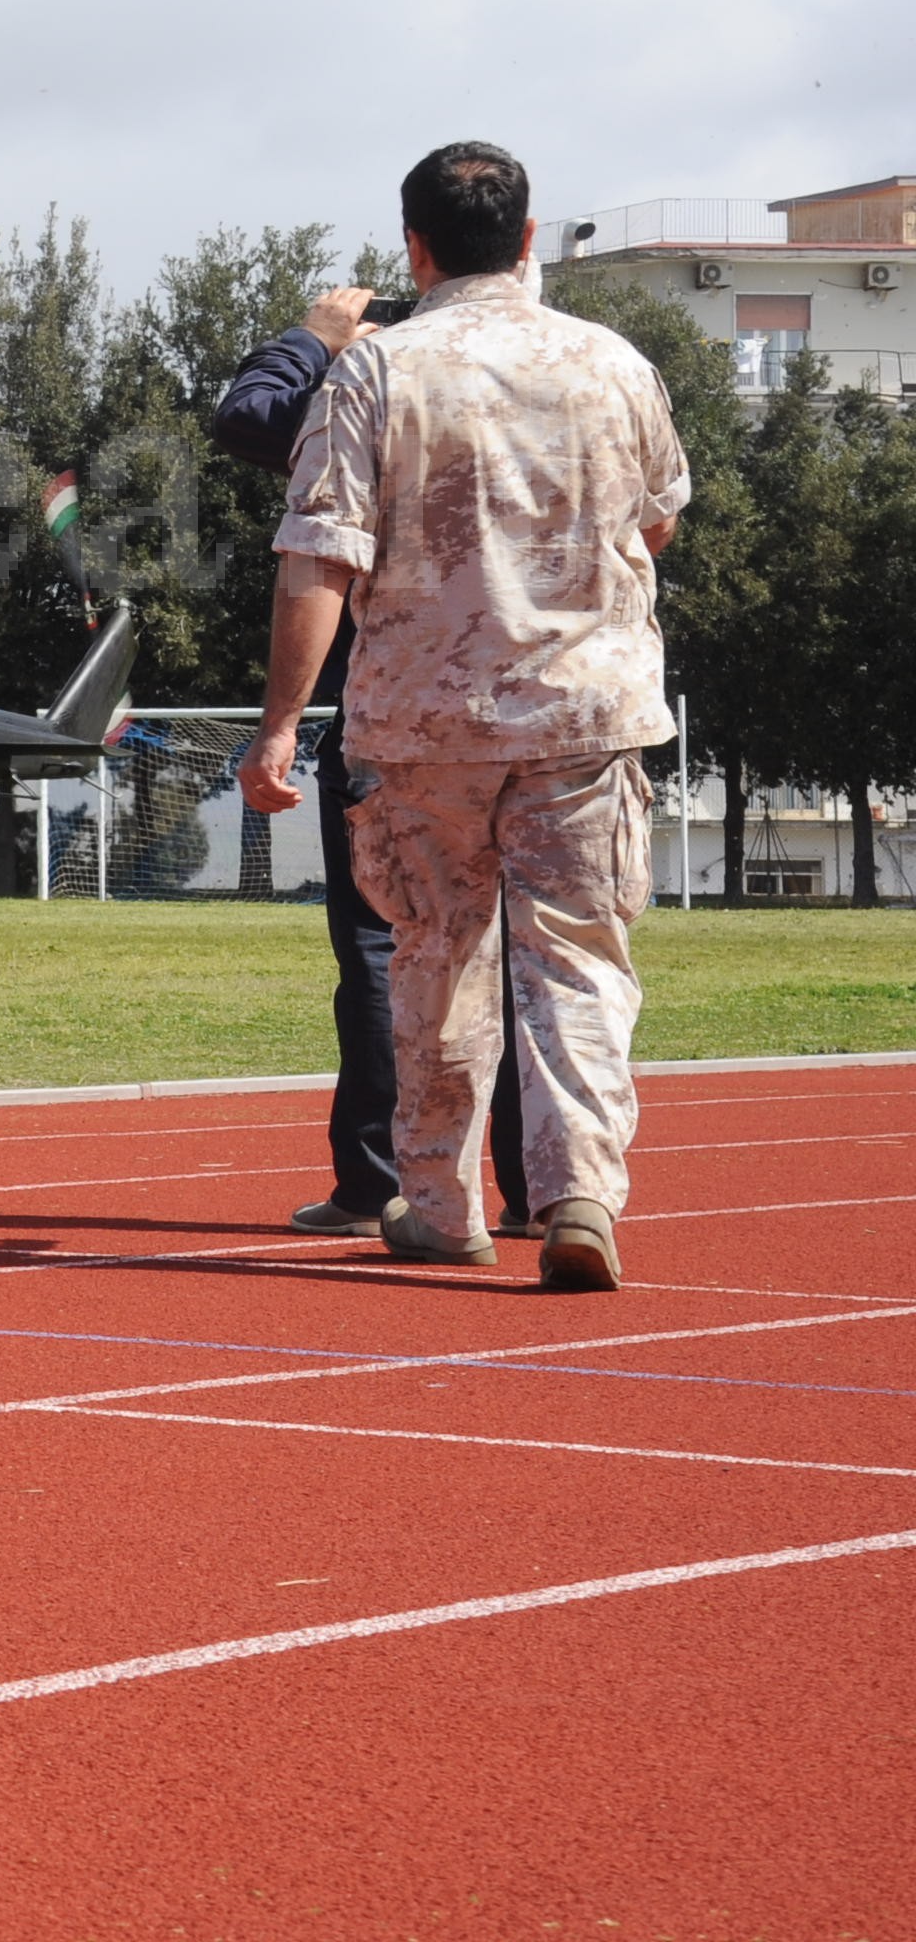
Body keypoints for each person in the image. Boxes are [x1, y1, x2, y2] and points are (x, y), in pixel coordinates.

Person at [240, 143, 686, 1293]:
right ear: (530, 238)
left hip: (424, 721)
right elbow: (655, 524)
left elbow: (316, 561)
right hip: (584, 713)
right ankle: (574, 1187)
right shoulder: (612, 364)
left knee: (435, 956)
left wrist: (278, 725)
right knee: (579, 960)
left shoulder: (374, 370)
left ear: (414, 248)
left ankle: (435, 1205)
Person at [212, 295, 530, 1243]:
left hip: (395, 718)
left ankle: (380, 1185)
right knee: (531, 957)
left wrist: (317, 336)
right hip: (533, 714)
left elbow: (247, 418)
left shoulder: (371, 396)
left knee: (383, 950)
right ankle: (541, 1186)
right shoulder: (541, 391)